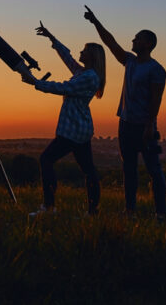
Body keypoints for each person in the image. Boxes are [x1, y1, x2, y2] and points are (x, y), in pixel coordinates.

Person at [83, 6, 166, 218]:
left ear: (147, 44)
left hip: (144, 126)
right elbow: (110, 43)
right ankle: (130, 211)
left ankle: (161, 213)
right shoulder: (129, 61)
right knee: (128, 169)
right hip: (126, 124)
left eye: (137, 38)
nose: (133, 40)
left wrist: (149, 126)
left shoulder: (157, 70)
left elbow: (156, 101)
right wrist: (95, 21)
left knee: (154, 171)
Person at [18, 21, 106, 215]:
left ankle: (49, 207)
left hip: (73, 130)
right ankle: (93, 210)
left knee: (46, 159)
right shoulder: (84, 72)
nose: (80, 53)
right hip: (79, 129)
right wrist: (52, 38)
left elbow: (63, 88)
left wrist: (35, 82)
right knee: (88, 170)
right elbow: (68, 58)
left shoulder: (90, 77)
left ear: (92, 56)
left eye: (84, 50)